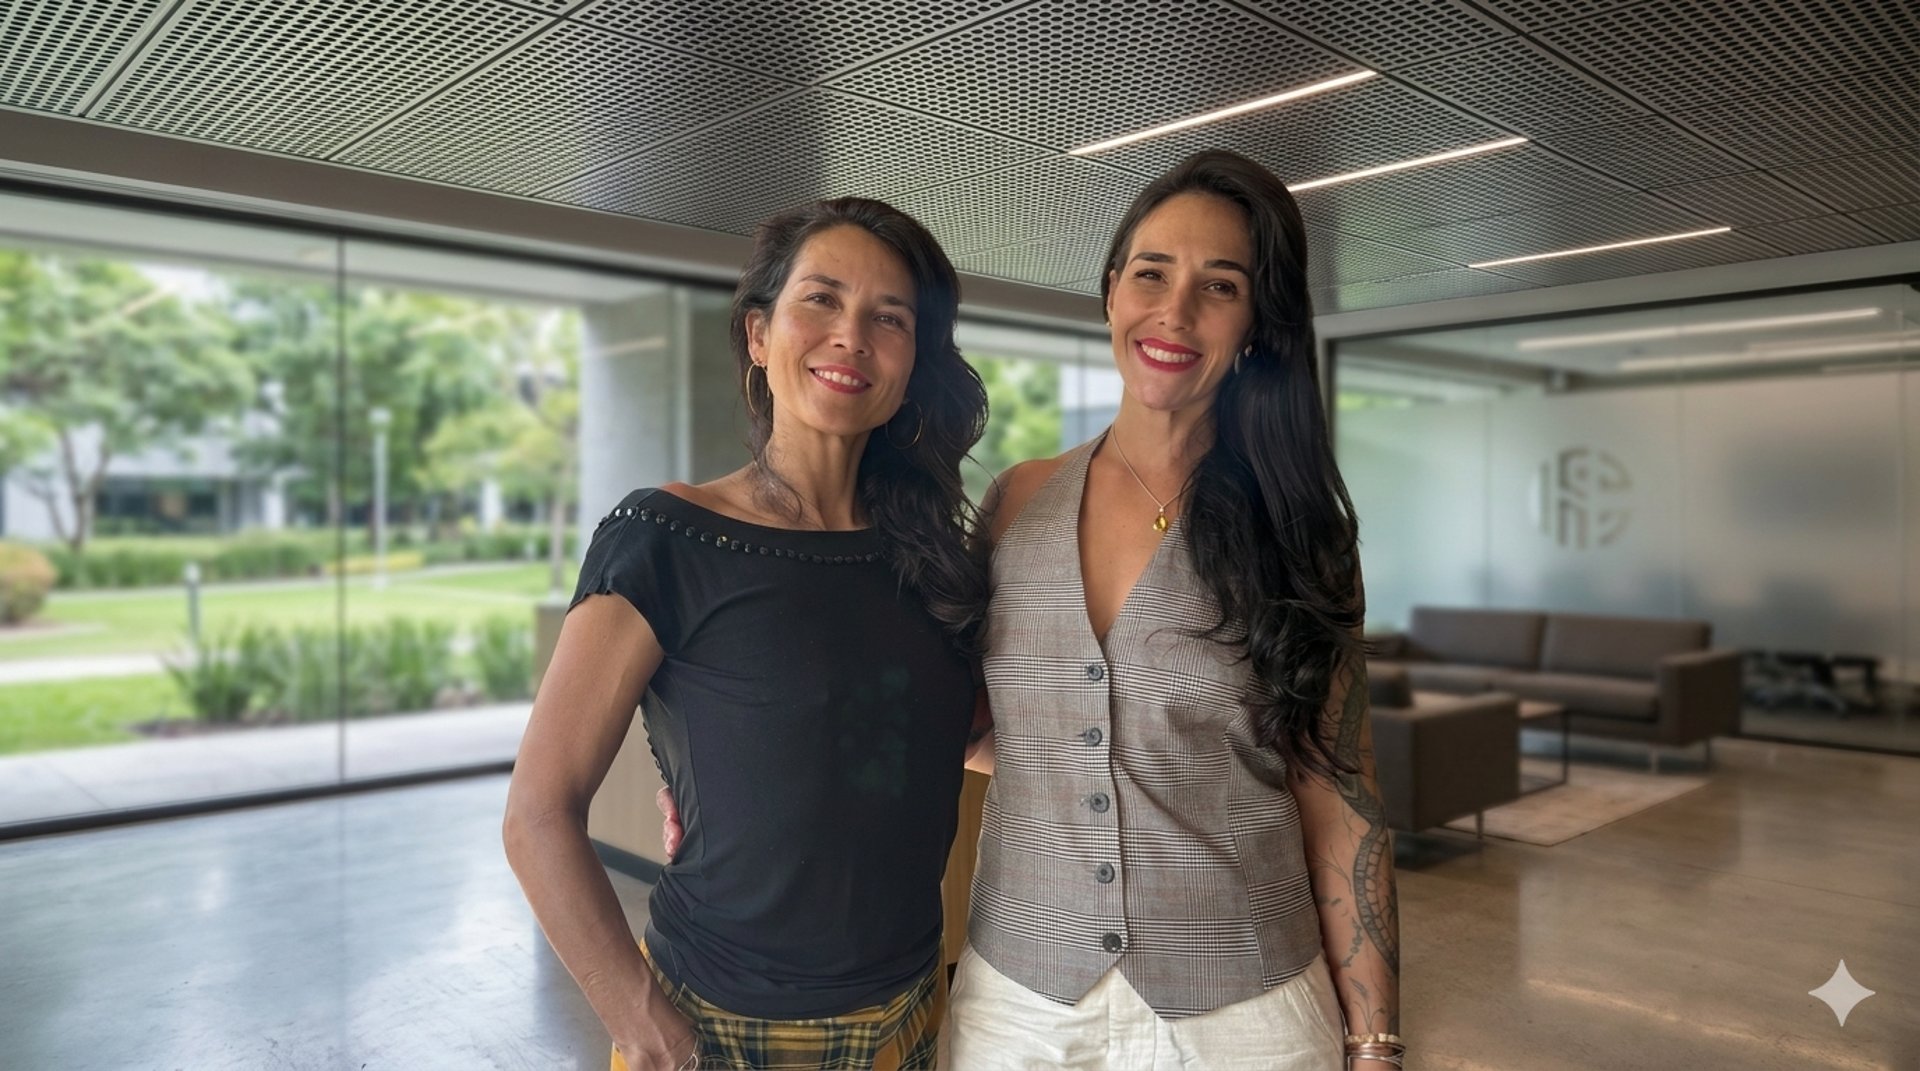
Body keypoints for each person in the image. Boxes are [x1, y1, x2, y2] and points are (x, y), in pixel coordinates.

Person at [503, 197, 989, 1071]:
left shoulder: (931, 555)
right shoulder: (667, 536)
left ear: (915, 360)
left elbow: (950, 738)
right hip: (723, 1024)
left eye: (889, 317)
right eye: (822, 300)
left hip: (912, 1009)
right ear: (760, 335)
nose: (851, 336)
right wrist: (648, 1028)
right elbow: (538, 813)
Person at [944, 149, 1402, 1070]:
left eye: (1220, 286)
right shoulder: (1016, 502)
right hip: (1019, 1004)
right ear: (1112, 290)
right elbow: (960, 723)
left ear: (1258, 323)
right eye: (1151, 273)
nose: (1175, 311)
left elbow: (1339, 794)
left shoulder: (1298, 533)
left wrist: (1376, 1040)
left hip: (1247, 1013)